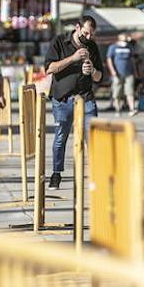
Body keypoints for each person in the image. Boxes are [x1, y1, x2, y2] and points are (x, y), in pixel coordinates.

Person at [44, 15, 103, 189]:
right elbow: (49, 68)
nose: (89, 37)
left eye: (92, 34)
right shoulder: (60, 42)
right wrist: (73, 58)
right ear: (77, 27)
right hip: (62, 99)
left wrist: (92, 70)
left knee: (92, 136)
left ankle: (94, 175)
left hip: (85, 98)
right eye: (86, 33)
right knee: (61, 136)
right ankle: (56, 173)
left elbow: (100, 76)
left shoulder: (92, 46)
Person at [106, 33, 138, 115]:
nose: (126, 41)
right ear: (119, 39)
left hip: (129, 73)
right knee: (117, 93)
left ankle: (132, 109)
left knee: (130, 92)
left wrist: (135, 72)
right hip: (117, 74)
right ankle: (117, 109)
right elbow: (109, 59)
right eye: (124, 39)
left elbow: (132, 60)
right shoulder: (113, 47)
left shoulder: (129, 47)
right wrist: (112, 71)